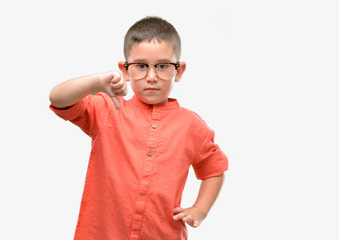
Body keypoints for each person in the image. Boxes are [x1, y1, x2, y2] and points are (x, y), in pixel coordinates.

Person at [49, 16, 228, 240]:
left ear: (179, 71)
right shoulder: (108, 109)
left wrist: (200, 209)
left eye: (163, 66)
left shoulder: (192, 125)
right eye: (141, 66)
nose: (151, 77)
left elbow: (214, 169)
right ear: (125, 70)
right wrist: (96, 83)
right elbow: (58, 99)